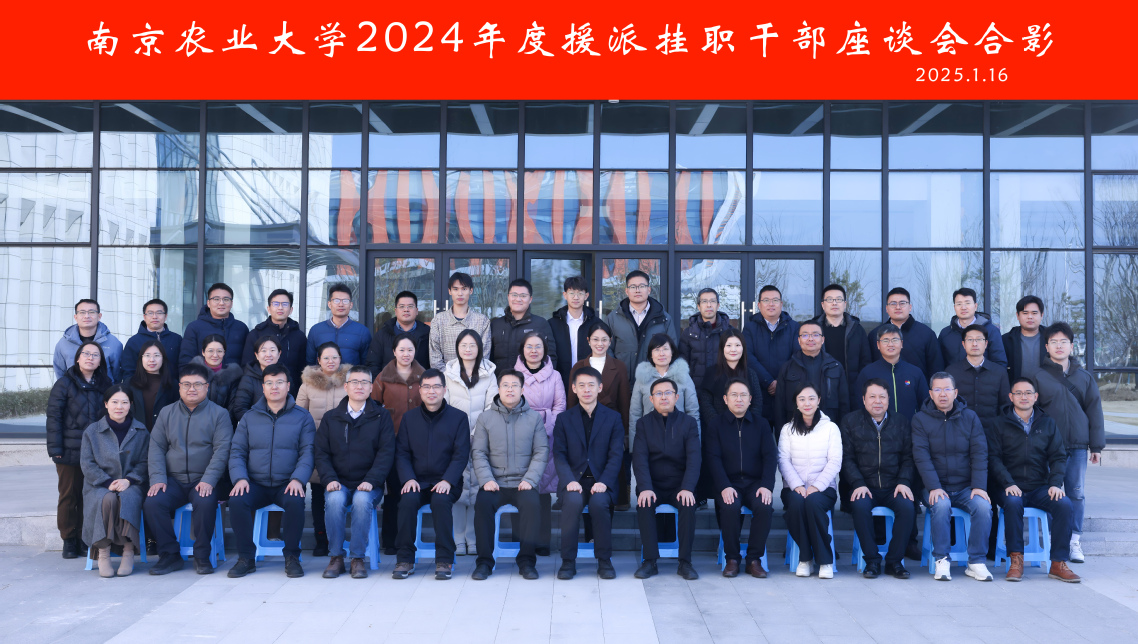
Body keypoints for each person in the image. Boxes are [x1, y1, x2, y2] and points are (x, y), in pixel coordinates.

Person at [227, 365, 316, 578]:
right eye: (269, 383)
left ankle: (292, 556)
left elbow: (308, 452)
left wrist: (298, 479)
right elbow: (237, 451)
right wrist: (240, 478)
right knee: (237, 501)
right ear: (263, 387)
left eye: (279, 382)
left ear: (288, 386)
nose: (274, 387)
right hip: (255, 483)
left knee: (295, 501)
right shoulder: (249, 417)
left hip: (287, 482)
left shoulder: (302, 417)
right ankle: (246, 558)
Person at [144, 363, 233, 576]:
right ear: (179, 387)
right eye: (186, 384)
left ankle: (202, 555)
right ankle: (169, 555)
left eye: (197, 384)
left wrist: (209, 480)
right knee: (153, 502)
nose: (191, 389)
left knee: (205, 501)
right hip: (173, 480)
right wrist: (158, 478)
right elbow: (156, 448)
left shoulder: (219, 414)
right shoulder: (167, 413)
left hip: (203, 479)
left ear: (207, 387)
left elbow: (222, 451)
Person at [989, 377, 1080, 582]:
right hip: (1007, 486)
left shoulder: (1047, 423)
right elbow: (993, 458)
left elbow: (1058, 456)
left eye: (1028, 393)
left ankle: (1058, 563)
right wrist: (1008, 482)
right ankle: (1016, 560)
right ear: (1011, 397)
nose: (1024, 397)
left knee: (1064, 504)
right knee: (1013, 502)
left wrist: (1055, 484)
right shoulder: (998, 424)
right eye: (1019, 393)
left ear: (1035, 397)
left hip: (1039, 486)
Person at [911, 372, 994, 582]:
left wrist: (979, 486)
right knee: (940, 505)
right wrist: (934, 486)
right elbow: (921, 457)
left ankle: (976, 561)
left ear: (955, 393)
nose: (943, 394)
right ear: (930, 393)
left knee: (983, 506)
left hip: (966, 487)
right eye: (937, 390)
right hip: (935, 486)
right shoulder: (920, 419)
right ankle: (942, 559)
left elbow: (979, 453)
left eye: (947, 389)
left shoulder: (970, 417)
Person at [1034, 322, 1105, 564]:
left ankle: (1074, 540)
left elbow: (1095, 412)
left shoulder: (1084, 377)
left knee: (1076, 493)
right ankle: (1053, 538)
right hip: (1047, 447)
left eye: (1063, 342)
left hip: (1077, 446)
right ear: (1046, 347)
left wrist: (1096, 446)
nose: (1059, 346)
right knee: (1050, 493)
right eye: (1054, 342)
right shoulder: (1038, 377)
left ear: (1072, 346)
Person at [316, 366, 395, 580]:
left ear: (371, 388)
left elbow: (386, 452)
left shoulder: (381, 416)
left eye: (364, 383)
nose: (359, 386)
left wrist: (372, 480)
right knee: (334, 500)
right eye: (355, 382)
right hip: (339, 481)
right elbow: (321, 453)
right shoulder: (331, 418)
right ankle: (336, 557)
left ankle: (357, 558)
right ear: (346, 387)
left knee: (361, 500)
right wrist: (329, 479)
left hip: (369, 483)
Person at [469, 370, 550, 580]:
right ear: (498, 389)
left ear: (522, 390)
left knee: (532, 504)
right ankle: (484, 562)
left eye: (515, 385)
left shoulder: (534, 418)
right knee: (483, 504)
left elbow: (541, 451)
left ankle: (527, 562)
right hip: (494, 483)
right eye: (505, 385)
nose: (510, 389)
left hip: (523, 483)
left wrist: (530, 479)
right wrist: (487, 479)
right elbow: (478, 452)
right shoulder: (485, 418)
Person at [392, 369, 470, 581]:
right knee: (407, 501)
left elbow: (461, 454)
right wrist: (408, 478)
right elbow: (402, 453)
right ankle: (405, 558)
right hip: (417, 481)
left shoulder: (458, 418)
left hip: (447, 481)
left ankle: (444, 559)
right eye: (426, 387)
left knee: (440, 501)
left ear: (444, 389)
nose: (431, 391)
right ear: (420, 390)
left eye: (436, 386)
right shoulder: (409, 418)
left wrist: (448, 480)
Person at [839, 379, 916, 580]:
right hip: (864, 485)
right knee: (860, 506)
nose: (877, 401)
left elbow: (909, 457)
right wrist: (858, 483)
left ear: (889, 400)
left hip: (893, 486)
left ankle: (894, 561)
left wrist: (904, 481)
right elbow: (846, 458)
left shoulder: (901, 422)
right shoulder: (850, 422)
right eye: (872, 396)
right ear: (864, 399)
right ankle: (872, 561)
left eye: (882, 397)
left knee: (907, 507)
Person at [552, 367, 624, 580]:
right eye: (581, 385)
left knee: (599, 504)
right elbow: (559, 454)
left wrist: (605, 481)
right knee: (572, 502)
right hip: (574, 480)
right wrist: (568, 480)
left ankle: (604, 560)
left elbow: (616, 455)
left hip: (602, 481)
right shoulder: (564, 419)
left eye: (591, 385)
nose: (586, 390)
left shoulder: (613, 418)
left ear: (600, 388)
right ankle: (568, 561)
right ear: (574, 388)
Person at [47, 341, 113, 559]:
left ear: (100, 361)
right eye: (86, 354)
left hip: (96, 452)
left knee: (90, 497)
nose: (90, 358)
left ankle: (84, 538)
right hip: (69, 450)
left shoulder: (106, 384)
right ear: (77, 358)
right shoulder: (64, 384)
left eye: (95, 355)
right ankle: (68, 540)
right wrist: (56, 448)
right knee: (69, 496)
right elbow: (54, 418)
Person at [706, 379, 776, 579]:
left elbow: (770, 457)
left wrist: (766, 485)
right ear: (725, 399)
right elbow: (713, 458)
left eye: (743, 395)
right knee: (730, 507)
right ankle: (732, 559)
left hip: (755, 484)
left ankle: (754, 559)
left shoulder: (761, 424)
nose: (739, 399)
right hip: (729, 483)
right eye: (734, 395)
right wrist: (724, 486)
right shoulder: (716, 425)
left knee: (764, 506)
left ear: (750, 399)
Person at [632, 378, 701, 580]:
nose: (664, 397)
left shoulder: (688, 423)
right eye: (659, 394)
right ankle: (650, 561)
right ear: (651, 399)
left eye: (668, 393)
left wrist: (687, 487)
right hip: (652, 485)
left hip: (680, 486)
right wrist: (645, 487)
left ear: (676, 397)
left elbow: (694, 458)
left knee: (688, 504)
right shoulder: (643, 424)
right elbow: (639, 459)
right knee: (644, 503)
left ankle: (685, 562)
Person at [80, 385, 148, 577]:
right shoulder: (92, 431)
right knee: (108, 499)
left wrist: (129, 480)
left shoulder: (141, 430)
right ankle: (103, 552)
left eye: (124, 402)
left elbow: (145, 461)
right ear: (106, 404)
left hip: (131, 483)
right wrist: (107, 482)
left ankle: (128, 551)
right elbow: (87, 463)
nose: (119, 407)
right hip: (98, 485)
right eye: (115, 402)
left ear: (130, 405)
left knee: (128, 498)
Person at [443, 329, 499, 556]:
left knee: (477, 489)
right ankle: (458, 539)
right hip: (454, 441)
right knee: (457, 489)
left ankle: (473, 538)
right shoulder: (447, 374)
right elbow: (444, 406)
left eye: (472, 345)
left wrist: (477, 433)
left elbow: (491, 406)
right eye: (463, 345)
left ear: (479, 348)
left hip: (481, 439)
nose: (468, 349)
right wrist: (458, 435)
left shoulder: (489, 374)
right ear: (457, 348)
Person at [778, 384, 842, 579]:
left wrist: (816, 486)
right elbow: (783, 460)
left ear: (819, 401)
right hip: (794, 488)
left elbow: (835, 461)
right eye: (802, 399)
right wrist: (797, 485)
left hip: (824, 489)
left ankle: (825, 561)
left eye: (812, 398)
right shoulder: (787, 429)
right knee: (796, 504)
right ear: (796, 403)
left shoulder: (830, 428)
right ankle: (805, 559)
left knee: (813, 503)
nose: (807, 403)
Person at [568, 321, 633, 509]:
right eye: (595, 339)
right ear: (588, 341)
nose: (600, 344)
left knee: (612, 460)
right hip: (583, 422)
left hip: (611, 423)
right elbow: (571, 400)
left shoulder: (619, 366)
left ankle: (617, 499)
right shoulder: (578, 366)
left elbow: (624, 402)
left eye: (604, 339)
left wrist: (625, 433)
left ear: (610, 341)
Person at [371, 333, 425, 555]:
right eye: (401, 350)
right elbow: (373, 408)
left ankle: (409, 539)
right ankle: (390, 541)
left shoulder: (424, 376)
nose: (406, 354)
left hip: (419, 445)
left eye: (410, 350)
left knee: (411, 492)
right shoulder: (383, 377)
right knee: (393, 493)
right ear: (394, 351)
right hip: (392, 444)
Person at [295, 342, 350, 558]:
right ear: (318, 361)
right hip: (317, 448)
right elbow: (299, 416)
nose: (330, 361)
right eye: (326, 357)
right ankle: (321, 539)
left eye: (334, 357)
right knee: (318, 495)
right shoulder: (307, 384)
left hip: (345, 448)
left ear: (340, 359)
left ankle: (340, 538)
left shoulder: (349, 382)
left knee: (339, 495)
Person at [514, 332, 566, 557]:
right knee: (521, 486)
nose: (534, 351)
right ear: (522, 350)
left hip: (547, 434)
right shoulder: (513, 374)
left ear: (545, 351)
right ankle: (521, 540)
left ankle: (543, 541)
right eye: (529, 346)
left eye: (538, 347)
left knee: (543, 488)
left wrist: (547, 427)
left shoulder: (555, 375)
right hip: (519, 436)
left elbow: (560, 406)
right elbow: (509, 403)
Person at [773, 321, 849, 431]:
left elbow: (844, 404)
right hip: (795, 430)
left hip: (828, 430)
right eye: (805, 335)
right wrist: (781, 434)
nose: (810, 339)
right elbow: (779, 405)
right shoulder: (787, 368)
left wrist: (841, 433)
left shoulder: (835, 367)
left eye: (815, 335)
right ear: (799, 340)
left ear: (822, 339)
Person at [628, 334, 700, 449]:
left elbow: (693, 412)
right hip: (649, 439)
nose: (661, 354)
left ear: (672, 352)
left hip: (679, 439)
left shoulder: (683, 377)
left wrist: (695, 447)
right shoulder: (642, 378)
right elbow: (635, 414)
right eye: (656, 350)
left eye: (665, 349)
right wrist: (634, 449)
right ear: (651, 354)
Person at [742, 285, 800, 427]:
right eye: (766, 300)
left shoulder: (794, 327)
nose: (771, 304)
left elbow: (797, 356)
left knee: (786, 435)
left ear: (781, 304)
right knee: (760, 435)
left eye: (775, 300)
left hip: (787, 391)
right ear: (759, 305)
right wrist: (768, 381)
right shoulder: (750, 328)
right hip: (759, 392)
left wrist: (780, 381)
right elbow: (747, 356)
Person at [604, 270, 677, 380]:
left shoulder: (664, 319)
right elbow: (606, 348)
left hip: (653, 382)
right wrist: (616, 374)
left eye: (642, 286)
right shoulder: (613, 318)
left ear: (649, 290)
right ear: (627, 291)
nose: (637, 290)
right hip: (622, 381)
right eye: (633, 287)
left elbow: (672, 350)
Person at [945, 324, 1011, 434]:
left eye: (979, 339)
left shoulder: (999, 372)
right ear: (963, 344)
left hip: (992, 433)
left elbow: (1006, 406)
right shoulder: (951, 372)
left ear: (986, 344)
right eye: (970, 340)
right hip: (959, 433)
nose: (974, 344)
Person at [853, 327, 929, 421]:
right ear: (878, 345)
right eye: (885, 340)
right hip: (877, 429)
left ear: (901, 343)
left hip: (910, 427)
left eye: (895, 340)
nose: (890, 344)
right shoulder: (867, 373)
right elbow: (859, 405)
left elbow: (925, 405)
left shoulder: (915, 373)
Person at [242, 289, 307, 396]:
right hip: (260, 393)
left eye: (285, 304)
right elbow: (247, 366)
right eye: (276, 304)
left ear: (291, 309)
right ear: (269, 308)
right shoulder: (256, 334)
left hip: (291, 393)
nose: (280, 307)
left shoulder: (299, 336)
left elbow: (302, 369)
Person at [868, 287, 943, 378]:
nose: (898, 307)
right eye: (893, 304)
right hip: (883, 386)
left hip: (917, 386)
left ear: (910, 307)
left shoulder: (926, 334)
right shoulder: (875, 335)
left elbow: (936, 369)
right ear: (887, 308)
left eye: (902, 303)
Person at [697, 328, 764, 430]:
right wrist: (718, 425)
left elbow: (757, 402)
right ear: (722, 348)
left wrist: (747, 425)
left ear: (743, 348)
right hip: (718, 430)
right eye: (729, 345)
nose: (733, 349)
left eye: (737, 345)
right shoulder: (711, 373)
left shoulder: (751, 374)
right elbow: (706, 403)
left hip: (746, 429)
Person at [490, 279, 557, 375]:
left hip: (532, 382)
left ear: (530, 299)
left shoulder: (540, 324)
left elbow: (550, 359)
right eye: (514, 295)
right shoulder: (496, 325)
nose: (518, 299)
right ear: (508, 297)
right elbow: (488, 359)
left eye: (523, 296)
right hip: (499, 382)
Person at [429, 272, 492, 370]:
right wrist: (449, 376)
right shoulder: (438, 320)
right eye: (455, 289)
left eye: (464, 289)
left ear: (471, 290)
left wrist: (470, 376)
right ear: (449, 291)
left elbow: (484, 356)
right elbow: (435, 359)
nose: (460, 293)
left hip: (474, 377)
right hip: (445, 377)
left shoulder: (482, 321)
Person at [811, 284, 871, 387]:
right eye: (830, 299)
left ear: (845, 304)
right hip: (819, 387)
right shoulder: (813, 329)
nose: (834, 303)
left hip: (851, 387)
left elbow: (866, 361)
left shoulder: (857, 329)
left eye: (838, 299)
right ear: (823, 305)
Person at [178, 283, 249, 368]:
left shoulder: (241, 328)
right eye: (216, 299)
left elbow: (247, 362)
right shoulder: (194, 327)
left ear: (231, 303)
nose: (221, 303)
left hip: (235, 376)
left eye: (226, 299)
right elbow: (186, 361)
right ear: (208, 303)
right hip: (203, 376)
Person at [54, 299, 124, 381]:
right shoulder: (63, 343)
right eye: (82, 312)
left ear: (99, 316)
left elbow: (117, 374)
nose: (86, 316)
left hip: (105, 388)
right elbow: (60, 372)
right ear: (76, 317)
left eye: (91, 312)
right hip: (71, 389)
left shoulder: (113, 343)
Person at [938, 287, 1008, 368]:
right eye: (959, 304)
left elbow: (1000, 364)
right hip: (952, 376)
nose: (963, 307)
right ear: (954, 307)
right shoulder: (945, 333)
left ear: (975, 306)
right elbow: (939, 364)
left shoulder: (991, 331)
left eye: (967, 303)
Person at [366, 290, 430, 376]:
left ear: (417, 311)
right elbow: (373, 365)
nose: (406, 310)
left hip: (420, 383)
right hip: (388, 383)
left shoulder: (427, 334)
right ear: (396, 311)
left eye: (410, 306)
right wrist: (381, 383)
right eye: (402, 306)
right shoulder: (382, 334)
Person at [306, 283, 371, 367]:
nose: (341, 304)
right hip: (322, 375)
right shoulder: (316, 330)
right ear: (329, 304)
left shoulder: (362, 331)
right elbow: (310, 363)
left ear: (351, 305)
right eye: (336, 300)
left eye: (345, 301)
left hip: (350, 375)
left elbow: (366, 364)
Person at [549, 276, 597, 389]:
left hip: (589, 382)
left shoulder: (596, 324)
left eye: (580, 293)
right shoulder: (552, 324)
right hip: (560, 381)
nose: (576, 297)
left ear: (586, 296)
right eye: (571, 293)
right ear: (565, 295)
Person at [120, 298, 182, 384]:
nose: (154, 317)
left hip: (171, 388)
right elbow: (128, 371)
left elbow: (182, 367)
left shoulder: (176, 339)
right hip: (141, 389)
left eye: (159, 313)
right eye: (150, 313)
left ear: (165, 316)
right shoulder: (134, 341)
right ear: (144, 317)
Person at [679, 288, 733, 386]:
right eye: (704, 301)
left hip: (724, 388)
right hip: (696, 389)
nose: (709, 305)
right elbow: (682, 366)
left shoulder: (730, 332)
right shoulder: (688, 333)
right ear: (698, 306)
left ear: (718, 305)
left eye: (712, 301)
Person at [123, 340, 179, 432]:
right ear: (141, 358)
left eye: (156, 355)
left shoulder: (173, 384)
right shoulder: (129, 383)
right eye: (147, 355)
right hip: (136, 435)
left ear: (163, 358)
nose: (152, 360)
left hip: (164, 435)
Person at [229, 336, 281, 424]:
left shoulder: (286, 376)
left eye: (272, 350)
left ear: (279, 354)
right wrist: (257, 425)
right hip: (256, 427)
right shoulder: (248, 378)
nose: (268, 354)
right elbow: (240, 409)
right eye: (263, 351)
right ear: (256, 355)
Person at [190, 334, 243, 410]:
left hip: (223, 417)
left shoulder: (233, 375)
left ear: (224, 352)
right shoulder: (192, 373)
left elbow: (233, 406)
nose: (215, 355)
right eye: (210, 351)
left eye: (219, 351)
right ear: (203, 352)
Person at [1003, 295, 1048, 383]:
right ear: (1017, 315)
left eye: (1034, 313)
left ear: (1041, 315)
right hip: (1016, 390)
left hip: (1046, 389)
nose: (1030, 317)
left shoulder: (1051, 338)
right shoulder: (1006, 340)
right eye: (1025, 313)